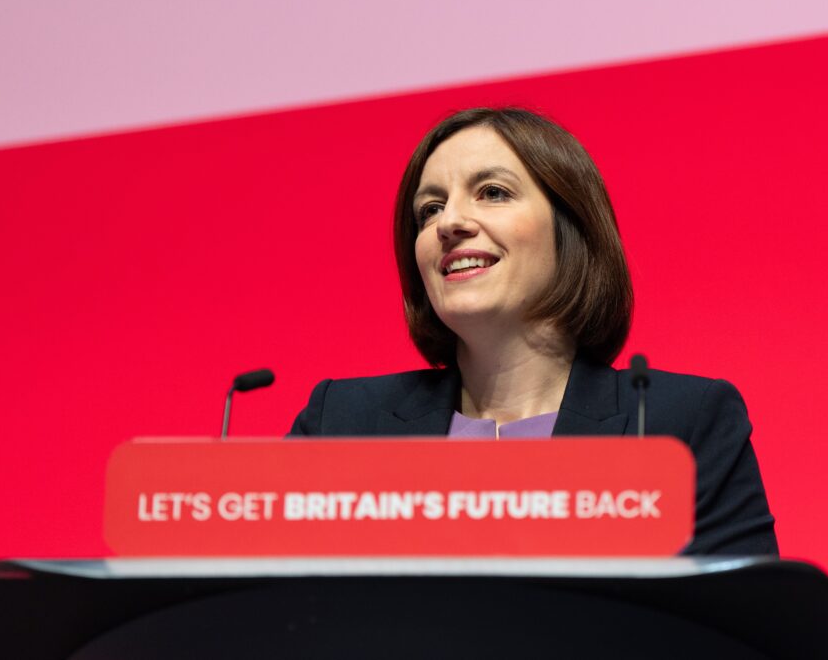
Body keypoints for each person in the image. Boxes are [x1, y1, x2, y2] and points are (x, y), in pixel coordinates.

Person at [290, 108, 777, 555]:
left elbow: (753, 634)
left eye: (493, 193)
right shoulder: (343, 424)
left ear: (570, 230)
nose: (450, 222)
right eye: (430, 209)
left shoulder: (680, 424)